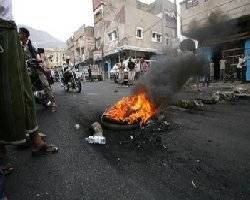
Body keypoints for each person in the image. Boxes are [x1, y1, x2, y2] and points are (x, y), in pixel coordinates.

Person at [19, 27, 56, 112]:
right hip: (24, 68)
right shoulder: (18, 45)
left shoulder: (30, 44)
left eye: (20, 33)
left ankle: (53, 103)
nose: (18, 34)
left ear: (24, 35)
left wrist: (38, 60)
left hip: (34, 67)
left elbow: (36, 54)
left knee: (45, 85)